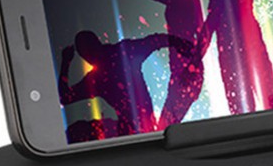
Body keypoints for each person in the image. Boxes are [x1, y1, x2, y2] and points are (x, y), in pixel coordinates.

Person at [58, 30, 191, 138]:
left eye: (86, 52)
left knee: (80, 131)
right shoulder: (121, 55)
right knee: (79, 131)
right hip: (134, 127)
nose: (87, 57)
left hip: (133, 129)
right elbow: (155, 41)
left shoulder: (100, 75)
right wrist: (180, 43)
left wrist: (66, 63)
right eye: (84, 54)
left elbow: (65, 97)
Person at [132, 0, 205, 126]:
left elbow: (202, 35)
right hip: (181, 71)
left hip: (188, 72)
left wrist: (191, 68)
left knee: (165, 126)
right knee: (166, 125)